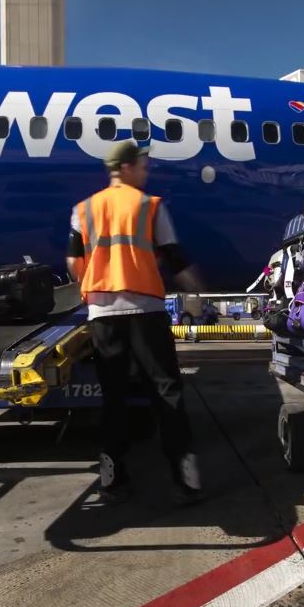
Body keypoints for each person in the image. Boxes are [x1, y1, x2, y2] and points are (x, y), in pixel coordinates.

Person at [66, 140, 206, 505]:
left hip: (103, 314)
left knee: (113, 397)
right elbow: (175, 257)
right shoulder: (150, 206)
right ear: (126, 167)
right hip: (145, 308)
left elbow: (72, 262)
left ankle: (113, 481)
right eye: (142, 164)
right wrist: (196, 291)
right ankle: (186, 477)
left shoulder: (83, 209)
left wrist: (88, 290)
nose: (146, 170)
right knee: (166, 391)